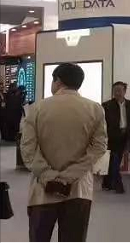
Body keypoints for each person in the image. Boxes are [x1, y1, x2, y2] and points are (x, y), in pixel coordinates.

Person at [20, 63, 107, 242]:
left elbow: (28, 150)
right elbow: (99, 147)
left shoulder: (37, 108)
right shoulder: (95, 109)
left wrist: (50, 176)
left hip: (43, 191)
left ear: (57, 81)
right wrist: (69, 176)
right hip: (79, 190)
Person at [101, 82, 130, 194]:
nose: (117, 93)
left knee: (114, 161)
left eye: (119, 90)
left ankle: (106, 183)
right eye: (115, 90)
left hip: (125, 135)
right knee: (115, 160)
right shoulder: (107, 105)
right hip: (112, 136)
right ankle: (118, 185)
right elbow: (102, 122)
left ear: (124, 91)